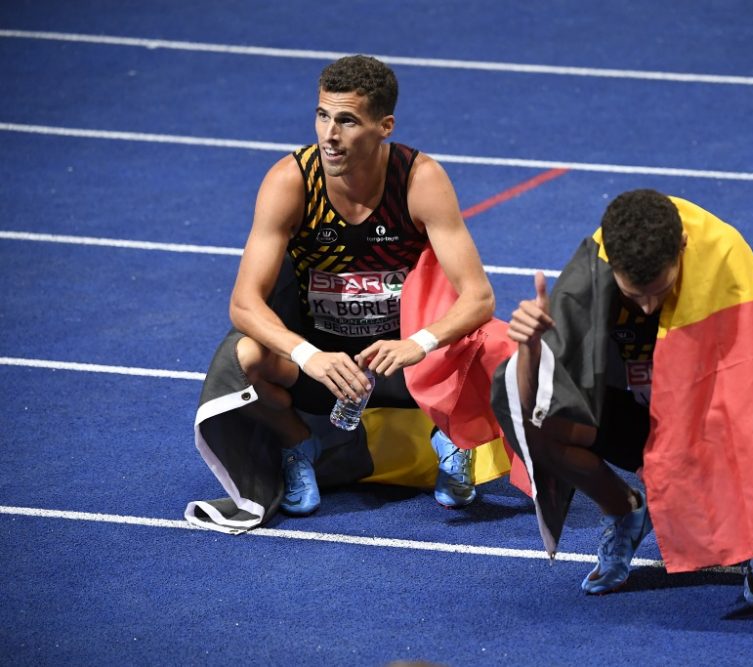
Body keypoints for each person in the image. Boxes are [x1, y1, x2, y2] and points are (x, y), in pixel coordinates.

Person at [492, 190, 753, 610]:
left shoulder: (725, 257)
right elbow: (530, 405)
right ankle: (624, 510)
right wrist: (530, 348)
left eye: (660, 290)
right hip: (633, 412)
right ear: (611, 264)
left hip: (712, 420)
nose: (649, 306)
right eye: (635, 295)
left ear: (683, 248)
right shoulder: (592, 270)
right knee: (538, 425)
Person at [185, 55, 514, 532]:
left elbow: (479, 298)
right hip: (325, 368)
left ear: (384, 126)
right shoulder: (291, 181)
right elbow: (243, 303)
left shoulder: (420, 181)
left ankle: (453, 439)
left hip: (405, 365)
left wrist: (417, 344)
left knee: (499, 347)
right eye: (322, 115)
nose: (329, 135)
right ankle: (298, 442)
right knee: (246, 355)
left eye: (346, 121)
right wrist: (309, 356)